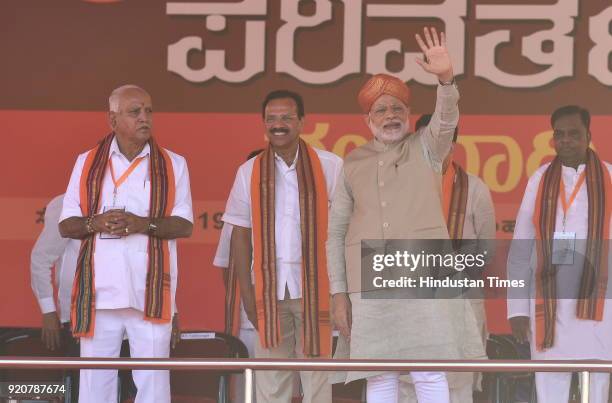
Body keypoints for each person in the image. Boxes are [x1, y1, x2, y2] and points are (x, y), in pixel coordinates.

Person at [327, 27, 485, 403]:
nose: (390, 115)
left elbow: (446, 121)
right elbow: (335, 233)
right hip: (369, 282)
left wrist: (446, 80)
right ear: (368, 119)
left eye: (398, 107)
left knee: (429, 371)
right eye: (381, 109)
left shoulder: (426, 149)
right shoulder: (353, 163)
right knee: (380, 375)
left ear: (409, 114)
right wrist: (338, 293)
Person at [59, 85, 193, 403]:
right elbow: (67, 224)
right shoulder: (87, 162)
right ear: (113, 119)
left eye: (148, 111)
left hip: (150, 294)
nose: (144, 118)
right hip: (100, 296)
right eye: (135, 112)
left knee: (153, 385)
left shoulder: (173, 164)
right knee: (95, 386)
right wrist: (96, 223)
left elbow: (185, 225)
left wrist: (142, 223)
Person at [223, 90, 342, 403]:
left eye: (286, 117)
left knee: (317, 382)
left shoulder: (330, 166)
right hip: (269, 293)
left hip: (317, 290)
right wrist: (247, 295)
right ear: (263, 124)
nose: (278, 124)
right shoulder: (248, 171)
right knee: (271, 384)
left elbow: (346, 229)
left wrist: (343, 291)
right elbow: (240, 233)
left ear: (302, 122)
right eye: (271, 118)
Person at [507, 105, 611, 403]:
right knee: (549, 390)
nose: (565, 140)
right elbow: (520, 248)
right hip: (548, 306)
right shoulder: (540, 180)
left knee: (598, 391)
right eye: (559, 134)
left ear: (588, 136)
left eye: (573, 134)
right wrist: (517, 310)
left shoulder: (610, 177)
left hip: (600, 307)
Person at [400, 116, 496, 403]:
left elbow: (486, 249)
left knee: (456, 384)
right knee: (407, 385)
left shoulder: (475, 189)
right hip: (409, 300)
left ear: (454, 142)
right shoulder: (396, 187)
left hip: (459, 300)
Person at [214, 148, 262, 403]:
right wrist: (248, 298)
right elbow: (227, 267)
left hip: (292, 318)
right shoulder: (235, 219)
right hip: (251, 322)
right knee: (250, 393)